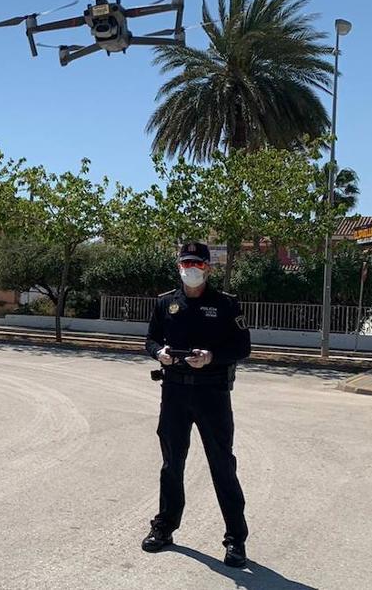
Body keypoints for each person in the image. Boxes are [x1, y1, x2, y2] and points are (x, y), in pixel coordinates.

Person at [141, 242, 252, 568]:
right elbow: (150, 339)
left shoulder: (226, 304)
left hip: (212, 394)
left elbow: (243, 346)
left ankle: (236, 540)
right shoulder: (165, 304)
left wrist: (212, 357)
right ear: (178, 267)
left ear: (208, 268)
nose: (191, 269)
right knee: (171, 464)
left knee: (222, 466)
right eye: (186, 263)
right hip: (174, 393)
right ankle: (165, 527)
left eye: (198, 264)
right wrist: (157, 352)